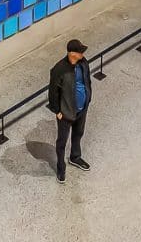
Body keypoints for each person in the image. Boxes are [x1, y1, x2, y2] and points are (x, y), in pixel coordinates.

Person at [48, 39, 92, 183]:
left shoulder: (83, 63)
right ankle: (61, 168)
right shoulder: (59, 70)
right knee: (62, 142)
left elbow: (87, 81)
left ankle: (75, 157)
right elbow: (52, 92)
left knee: (78, 133)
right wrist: (57, 110)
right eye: (80, 51)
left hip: (82, 108)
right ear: (72, 53)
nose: (82, 54)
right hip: (66, 113)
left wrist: (88, 97)